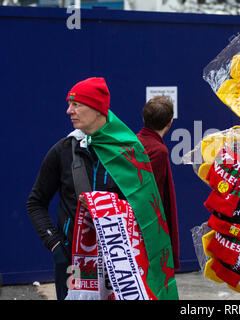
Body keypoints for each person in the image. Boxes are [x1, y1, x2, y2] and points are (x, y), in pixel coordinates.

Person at [26, 78, 178, 300]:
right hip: (75, 262)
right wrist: (56, 245)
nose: (69, 111)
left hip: (121, 266)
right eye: (70, 104)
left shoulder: (130, 151)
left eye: (76, 104)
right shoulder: (62, 151)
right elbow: (35, 203)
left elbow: (149, 212)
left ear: (98, 108)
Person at [136, 95, 180, 270]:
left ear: (143, 118)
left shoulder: (134, 142)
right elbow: (154, 193)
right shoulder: (158, 150)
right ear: (169, 123)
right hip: (149, 227)